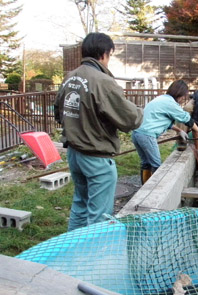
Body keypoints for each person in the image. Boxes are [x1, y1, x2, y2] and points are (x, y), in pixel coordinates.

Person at [54, 32, 143, 231]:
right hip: (96, 157)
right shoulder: (103, 81)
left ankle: (73, 249)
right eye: (110, 55)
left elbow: (58, 111)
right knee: (99, 215)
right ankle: (92, 258)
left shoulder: (70, 77)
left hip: (74, 153)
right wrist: (140, 112)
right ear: (104, 54)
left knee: (80, 205)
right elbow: (130, 119)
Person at [131, 79, 198, 184]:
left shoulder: (161, 99)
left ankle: (144, 186)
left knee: (146, 163)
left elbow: (163, 121)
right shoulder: (171, 104)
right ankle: (155, 190)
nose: (184, 99)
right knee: (156, 165)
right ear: (180, 94)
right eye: (184, 96)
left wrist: (179, 130)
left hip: (137, 133)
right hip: (147, 136)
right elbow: (187, 119)